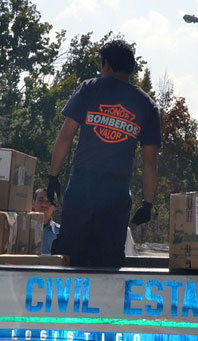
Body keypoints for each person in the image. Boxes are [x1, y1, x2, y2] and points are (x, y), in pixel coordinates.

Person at [47, 39, 161, 268]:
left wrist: (53, 177)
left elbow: (66, 137)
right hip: (117, 192)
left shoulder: (90, 88)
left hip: (83, 185)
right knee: (108, 260)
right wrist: (147, 203)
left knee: (70, 252)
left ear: (106, 64)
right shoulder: (146, 104)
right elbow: (149, 161)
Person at [33, 187, 60, 255]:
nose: (44, 205)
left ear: (55, 207)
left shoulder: (60, 233)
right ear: (33, 202)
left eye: (49, 202)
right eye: (40, 200)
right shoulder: (21, 229)